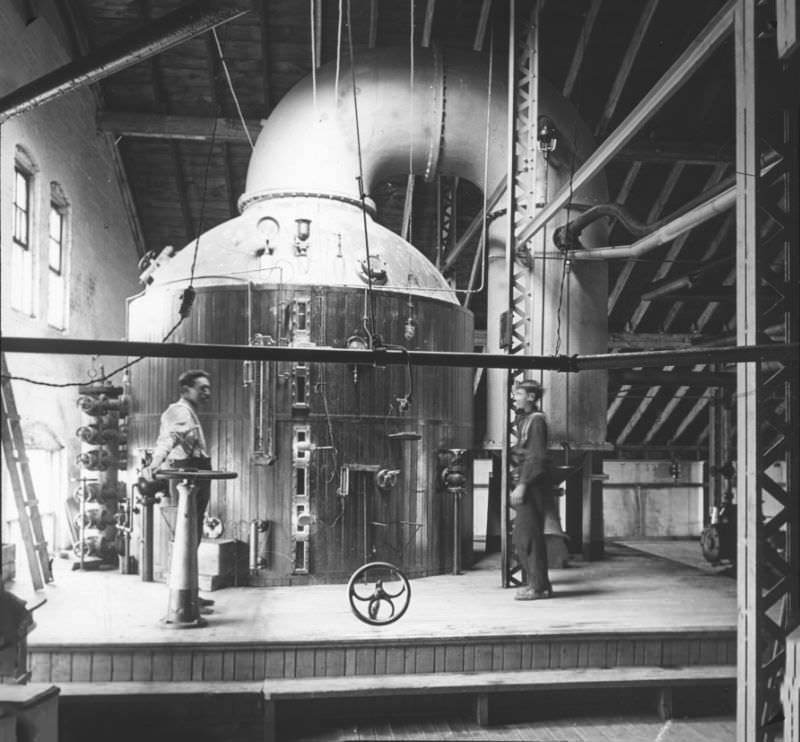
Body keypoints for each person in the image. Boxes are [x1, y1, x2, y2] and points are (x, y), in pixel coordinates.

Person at [142, 369, 214, 607]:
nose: (207, 392)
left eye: (208, 387)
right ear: (185, 390)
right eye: (202, 388)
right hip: (188, 472)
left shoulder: (188, 412)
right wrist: (155, 463)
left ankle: (189, 591)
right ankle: (183, 594)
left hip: (197, 470)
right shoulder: (179, 412)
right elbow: (168, 440)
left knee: (192, 536)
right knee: (186, 535)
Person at [509, 378, 553, 600]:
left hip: (532, 485)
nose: (514, 397)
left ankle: (539, 588)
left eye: (518, 394)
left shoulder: (536, 421)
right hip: (527, 483)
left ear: (531, 398)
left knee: (529, 537)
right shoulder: (525, 419)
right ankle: (536, 584)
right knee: (522, 536)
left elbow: (536, 457)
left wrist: (522, 486)